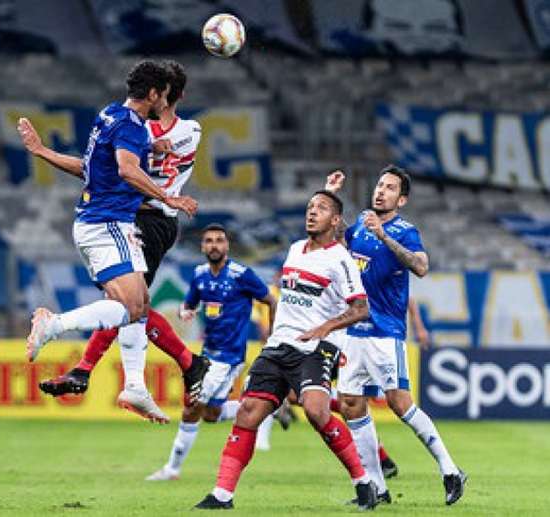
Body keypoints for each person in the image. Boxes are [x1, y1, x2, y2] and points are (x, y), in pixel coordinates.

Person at [19, 60, 197, 424]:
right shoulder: (132, 128)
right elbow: (127, 169)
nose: (164, 99)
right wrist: (169, 198)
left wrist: (42, 152)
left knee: (141, 305)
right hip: (107, 224)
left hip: (100, 223)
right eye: (162, 93)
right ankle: (53, 324)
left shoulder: (110, 115)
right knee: (130, 307)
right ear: (153, 94)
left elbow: (88, 168)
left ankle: (135, 386)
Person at [194, 191, 378, 511]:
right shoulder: (294, 250)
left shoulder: (340, 259)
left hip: (317, 347)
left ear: (335, 221)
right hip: (280, 345)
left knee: (316, 410)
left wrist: (325, 328)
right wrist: (273, 334)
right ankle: (222, 495)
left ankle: (364, 482)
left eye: (320, 209)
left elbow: (361, 309)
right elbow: (283, 299)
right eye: (309, 208)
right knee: (248, 411)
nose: (311, 213)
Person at [327, 165, 466, 505]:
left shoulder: (405, 231)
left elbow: (421, 266)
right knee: (350, 404)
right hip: (353, 331)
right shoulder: (361, 222)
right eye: (379, 185)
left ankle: (450, 470)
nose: (381, 191)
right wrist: (329, 194)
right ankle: (377, 489)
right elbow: (339, 238)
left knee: (399, 403)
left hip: (385, 332)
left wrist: (384, 236)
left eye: (389, 188)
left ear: (400, 199)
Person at [145, 224, 283, 482]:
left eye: (219, 240)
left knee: (191, 408)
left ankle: (172, 469)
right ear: (202, 247)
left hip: (229, 356)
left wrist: (273, 338)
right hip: (207, 354)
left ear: (227, 246)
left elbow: (272, 301)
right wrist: (185, 310)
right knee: (211, 415)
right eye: (209, 241)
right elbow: (189, 303)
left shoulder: (242, 274)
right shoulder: (199, 275)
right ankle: (264, 408)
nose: (214, 245)